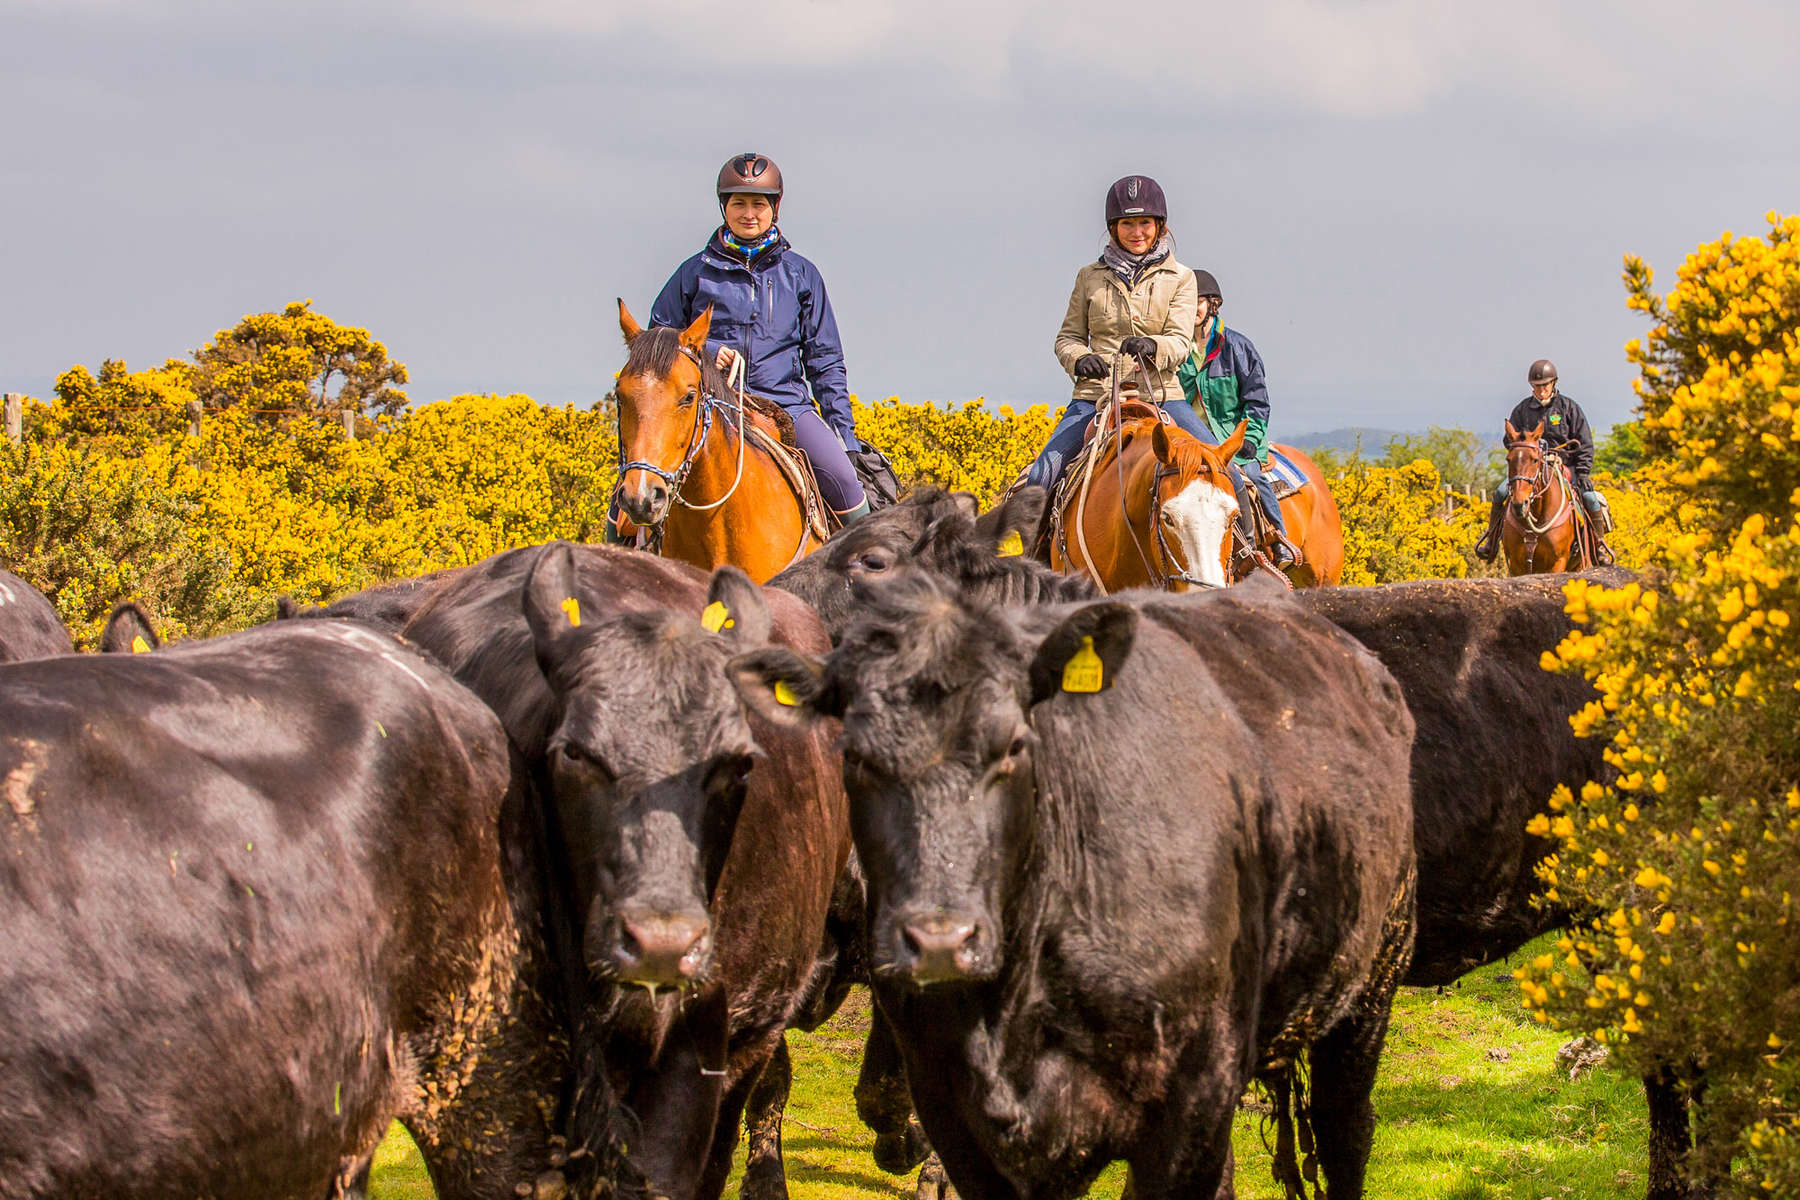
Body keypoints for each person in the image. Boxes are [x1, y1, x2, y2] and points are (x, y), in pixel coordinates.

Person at [647, 151, 869, 525]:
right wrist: (709, 351)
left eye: (758, 204)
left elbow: (826, 361)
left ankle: (870, 581)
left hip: (786, 407)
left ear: (774, 208)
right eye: (739, 204)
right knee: (626, 499)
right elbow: (657, 339)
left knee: (847, 485)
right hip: (710, 406)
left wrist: (843, 435)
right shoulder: (694, 273)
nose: (748, 213)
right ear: (724, 208)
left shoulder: (802, 275)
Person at [1024, 175, 1207, 492]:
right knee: (1040, 478)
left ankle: (1248, 540)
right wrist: (1081, 359)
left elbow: (1180, 341)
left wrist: (1153, 345)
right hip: (1095, 397)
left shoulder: (1182, 278)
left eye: (1145, 223)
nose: (1137, 233)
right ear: (1113, 228)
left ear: (1159, 225)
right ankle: (1036, 543)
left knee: (1223, 466)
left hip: (1162, 395)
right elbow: (1067, 338)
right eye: (1127, 224)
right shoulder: (1088, 277)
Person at [1175, 269, 1297, 567]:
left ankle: (1276, 539)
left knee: (1253, 477)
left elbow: (1256, 402)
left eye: (1197, 301)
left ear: (1212, 304)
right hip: (1190, 443)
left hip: (1232, 440)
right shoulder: (1175, 350)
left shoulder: (1238, 348)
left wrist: (1251, 441)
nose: (1192, 308)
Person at [1474, 358, 1607, 562]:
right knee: (1501, 492)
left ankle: (1598, 548)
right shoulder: (1522, 410)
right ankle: (1491, 543)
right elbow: (1509, 440)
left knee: (1589, 497)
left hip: (1563, 465)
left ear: (1553, 383)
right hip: (1530, 468)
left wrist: (1583, 472)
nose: (1541, 389)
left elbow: (1585, 443)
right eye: (1537, 386)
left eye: (1545, 385)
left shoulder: (1569, 408)